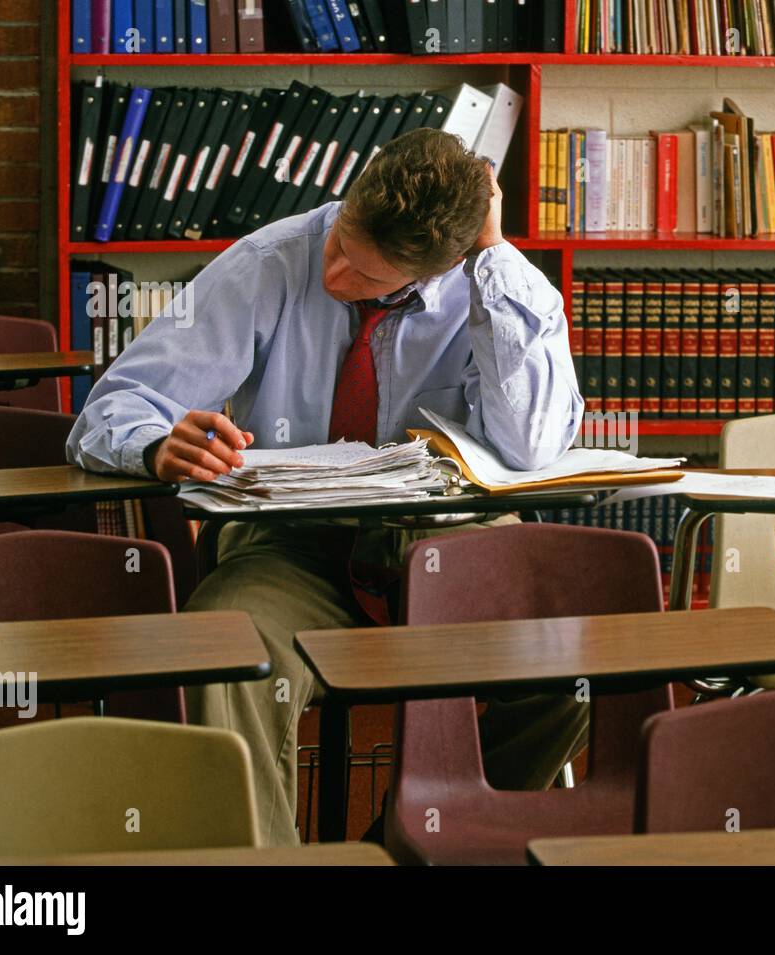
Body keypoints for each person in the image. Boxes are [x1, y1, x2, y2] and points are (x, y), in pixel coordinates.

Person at [67, 128, 588, 845]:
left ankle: (416, 848)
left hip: (446, 542)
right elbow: (111, 405)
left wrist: (494, 256)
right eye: (340, 241)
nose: (335, 273)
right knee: (222, 658)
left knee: (573, 663)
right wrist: (157, 444)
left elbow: (531, 442)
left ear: (439, 267)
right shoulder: (267, 262)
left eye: (367, 278)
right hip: (290, 545)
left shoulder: (491, 288)